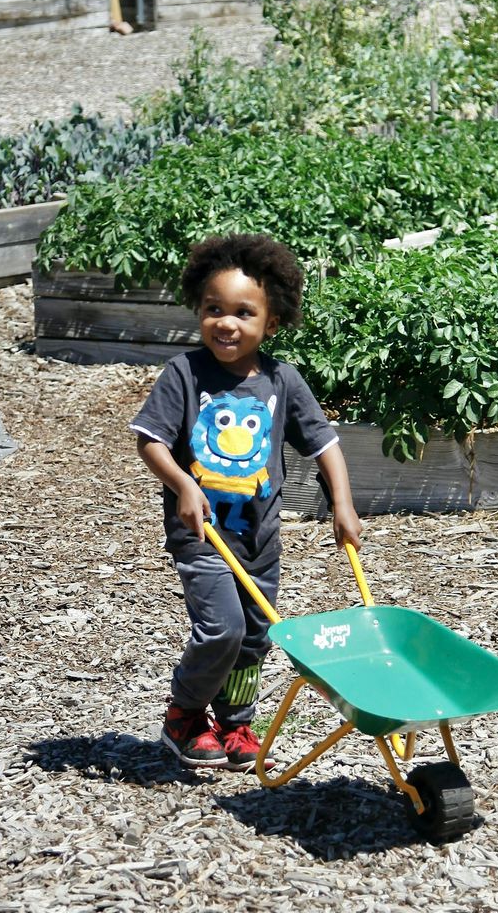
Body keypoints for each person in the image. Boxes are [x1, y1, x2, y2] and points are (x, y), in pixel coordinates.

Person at [130, 232, 363, 771]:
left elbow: (325, 445)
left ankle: (235, 722)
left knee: (255, 636)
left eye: (242, 312)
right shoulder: (184, 375)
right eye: (213, 309)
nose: (226, 322)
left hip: (260, 540)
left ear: (270, 323)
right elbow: (151, 442)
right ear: (198, 310)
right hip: (204, 536)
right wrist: (184, 484)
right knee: (223, 628)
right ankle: (184, 715)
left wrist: (342, 506)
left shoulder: (283, 380)